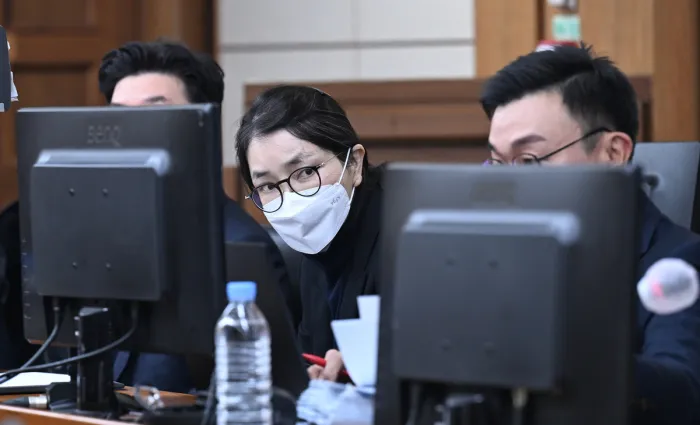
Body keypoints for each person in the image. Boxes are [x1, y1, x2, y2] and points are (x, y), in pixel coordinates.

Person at [480, 43, 700, 425]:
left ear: (613, 153)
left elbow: (683, 392)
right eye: (499, 163)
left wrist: (556, 351)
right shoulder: (495, 253)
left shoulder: (680, 262)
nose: (510, 185)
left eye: (529, 160)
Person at [93, 40, 293, 392]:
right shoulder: (100, 238)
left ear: (201, 126)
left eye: (154, 114)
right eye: (120, 117)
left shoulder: (238, 248)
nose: (133, 133)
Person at [235, 85, 384, 381]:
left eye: (305, 172)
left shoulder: (405, 234)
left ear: (354, 164)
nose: (290, 199)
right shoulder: (316, 254)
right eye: (268, 186)